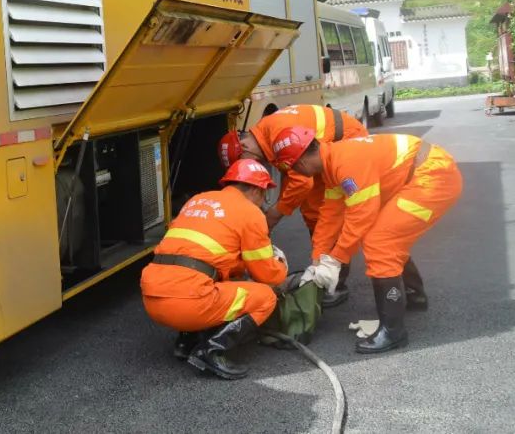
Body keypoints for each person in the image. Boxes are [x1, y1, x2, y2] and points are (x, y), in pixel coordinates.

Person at [270, 126, 462, 353]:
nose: (296, 174)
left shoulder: (346, 164)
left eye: (292, 168)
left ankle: (393, 331)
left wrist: (336, 259)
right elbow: (330, 215)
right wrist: (318, 259)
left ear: (300, 162)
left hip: (433, 178)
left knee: (380, 242)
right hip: (423, 173)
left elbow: (361, 216)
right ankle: (414, 295)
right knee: (387, 237)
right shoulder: (333, 162)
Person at [140, 159, 288, 379]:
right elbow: (266, 274)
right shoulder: (250, 212)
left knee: (204, 275)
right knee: (265, 297)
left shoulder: (199, 200)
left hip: (152, 299)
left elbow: (202, 254)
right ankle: (212, 349)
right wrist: (280, 265)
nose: (264, 201)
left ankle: (185, 341)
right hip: (188, 304)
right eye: (265, 194)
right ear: (257, 190)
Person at [217, 104, 368, 306]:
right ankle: (327, 271)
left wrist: (275, 213)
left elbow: (302, 181)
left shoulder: (277, 132)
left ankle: (336, 281)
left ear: (244, 148)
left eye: (244, 162)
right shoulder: (266, 133)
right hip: (330, 145)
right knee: (313, 213)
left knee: (343, 212)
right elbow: (291, 174)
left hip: (346, 140)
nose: (252, 167)